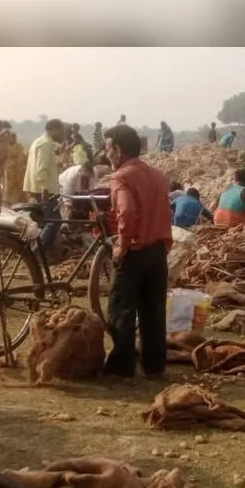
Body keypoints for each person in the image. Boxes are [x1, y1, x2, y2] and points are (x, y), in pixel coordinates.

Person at [101, 124, 173, 381]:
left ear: (118, 150)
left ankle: (122, 367)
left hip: (135, 251)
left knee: (121, 309)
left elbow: (127, 211)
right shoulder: (157, 175)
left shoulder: (121, 177)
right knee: (153, 311)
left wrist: (122, 244)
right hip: (158, 251)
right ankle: (154, 366)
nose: (106, 154)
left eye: (108, 148)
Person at [25, 119, 66, 252]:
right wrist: (45, 188)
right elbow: (41, 169)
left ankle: (40, 252)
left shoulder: (38, 142)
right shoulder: (46, 144)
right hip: (45, 189)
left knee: (44, 221)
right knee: (55, 221)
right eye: (61, 131)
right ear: (53, 129)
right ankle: (37, 254)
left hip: (38, 187)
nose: (62, 134)